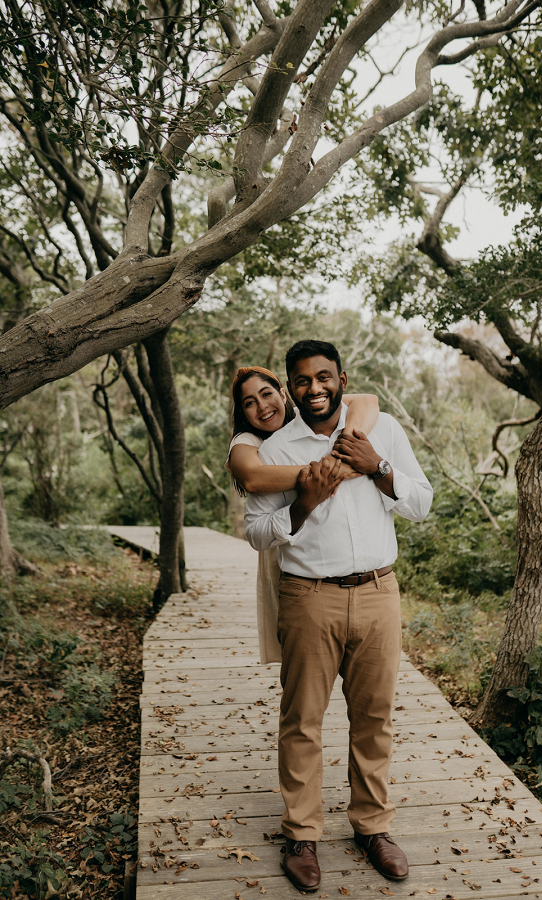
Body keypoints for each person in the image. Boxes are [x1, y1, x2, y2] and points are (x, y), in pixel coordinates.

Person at [245, 340, 433, 893]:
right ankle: (302, 834)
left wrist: (379, 468)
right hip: (309, 597)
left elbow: (421, 502)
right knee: (302, 720)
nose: (315, 389)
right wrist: (303, 501)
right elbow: (257, 533)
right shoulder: (277, 449)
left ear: (342, 377)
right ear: (290, 388)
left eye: (324, 377)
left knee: (374, 718)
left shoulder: (382, 430)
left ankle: (372, 827)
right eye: (302, 381)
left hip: (379, 593)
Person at [226, 365, 379, 664]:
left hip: (342, 563)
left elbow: (368, 400)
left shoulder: (309, 416)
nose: (262, 406)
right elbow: (253, 479)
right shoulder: (247, 442)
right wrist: (329, 474)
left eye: (267, 394)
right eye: (250, 403)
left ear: (283, 393)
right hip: (285, 549)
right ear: (244, 414)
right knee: (301, 653)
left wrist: (343, 452)